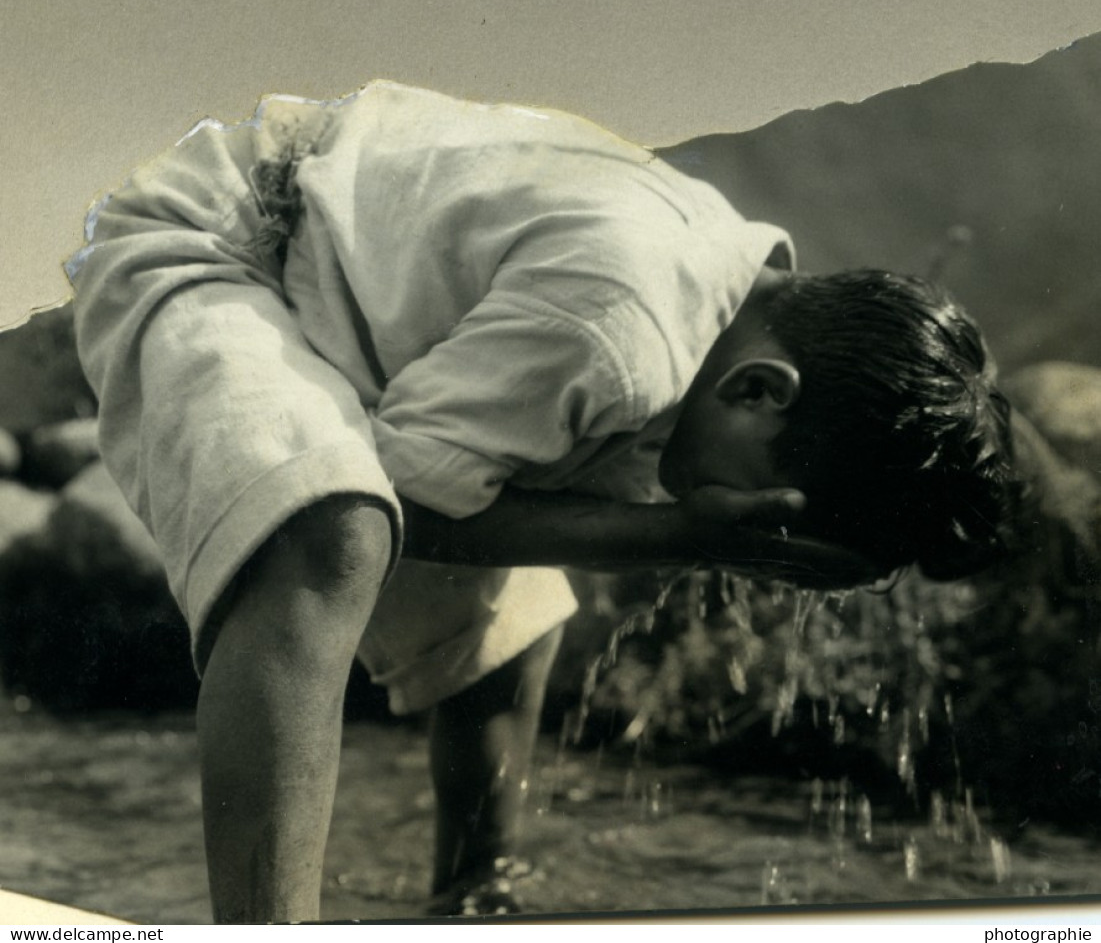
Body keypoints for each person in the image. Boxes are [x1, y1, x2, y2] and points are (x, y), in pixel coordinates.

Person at [65, 81, 1017, 922]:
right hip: (216, 237)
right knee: (330, 533)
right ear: (758, 392)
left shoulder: (722, 300)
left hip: (340, 281)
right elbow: (404, 495)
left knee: (511, 599)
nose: (746, 541)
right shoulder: (620, 330)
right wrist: (673, 532)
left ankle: (478, 896)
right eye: (762, 519)